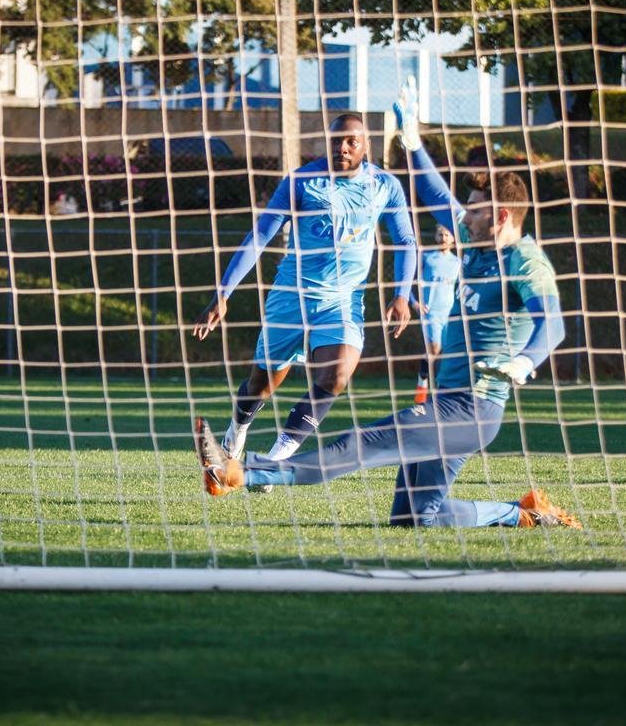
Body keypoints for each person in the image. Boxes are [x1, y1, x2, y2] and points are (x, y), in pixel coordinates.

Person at [193, 78, 578, 530]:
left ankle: (242, 469)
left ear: (501, 216)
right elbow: (436, 196)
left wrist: (526, 360)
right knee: (417, 518)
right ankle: (522, 514)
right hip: (446, 398)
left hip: (471, 409)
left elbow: (552, 323)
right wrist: (413, 141)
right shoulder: (478, 247)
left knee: (364, 442)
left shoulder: (526, 261)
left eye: (473, 211)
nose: (462, 217)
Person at [193, 113, 416, 469]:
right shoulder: (301, 182)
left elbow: (406, 240)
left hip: (342, 302)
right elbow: (261, 235)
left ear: (365, 145)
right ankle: (235, 435)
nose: (341, 148)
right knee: (261, 385)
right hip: (290, 297)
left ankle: (274, 460)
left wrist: (402, 294)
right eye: (335, 141)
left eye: (350, 142)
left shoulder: (385, 186)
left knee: (336, 375)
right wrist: (224, 293)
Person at [410, 223, 461, 406]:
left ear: (453, 238)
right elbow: (407, 280)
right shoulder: (427, 258)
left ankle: (441, 394)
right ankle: (421, 391)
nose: (443, 238)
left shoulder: (458, 263)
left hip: (450, 314)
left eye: (447, 235)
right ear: (435, 236)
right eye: (440, 234)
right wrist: (414, 302)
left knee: (447, 353)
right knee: (434, 349)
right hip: (430, 313)